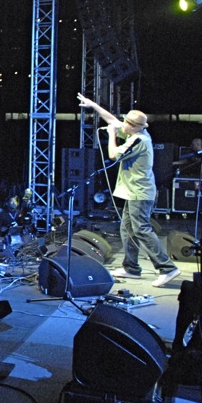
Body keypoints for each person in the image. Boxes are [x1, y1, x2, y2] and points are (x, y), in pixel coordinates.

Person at [78, 93, 181, 287]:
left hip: (140, 193)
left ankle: (167, 268)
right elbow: (112, 120)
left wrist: (111, 135)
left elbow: (113, 154)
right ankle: (131, 268)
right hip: (132, 191)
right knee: (127, 229)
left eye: (126, 122)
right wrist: (93, 105)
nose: (122, 124)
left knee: (141, 229)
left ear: (133, 126)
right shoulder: (134, 133)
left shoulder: (139, 140)